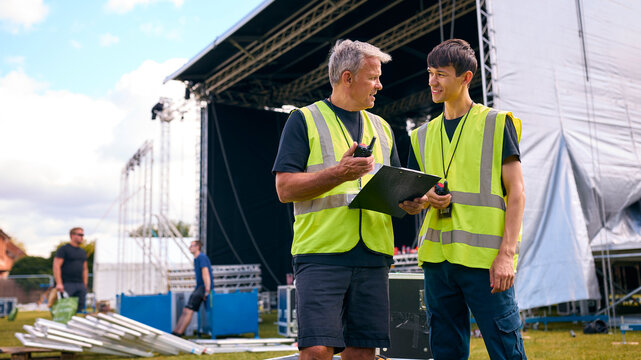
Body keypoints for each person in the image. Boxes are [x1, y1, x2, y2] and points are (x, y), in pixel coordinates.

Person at [273, 39, 401, 360]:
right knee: (316, 351)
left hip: (373, 256)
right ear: (347, 78)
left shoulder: (383, 128)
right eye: (373, 77)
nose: (379, 85)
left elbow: (394, 187)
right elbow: (284, 188)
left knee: (362, 354)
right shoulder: (303, 119)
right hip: (321, 255)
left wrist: (409, 200)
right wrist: (338, 173)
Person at [399, 39, 526, 359]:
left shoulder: (497, 123)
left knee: (505, 349)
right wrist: (421, 199)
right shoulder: (421, 136)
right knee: (446, 351)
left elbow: (518, 192)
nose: (432, 81)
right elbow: (419, 195)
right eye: (429, 73)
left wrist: (506, 255)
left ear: (466, 78)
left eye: (441, 74)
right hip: (437, 263)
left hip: (487, 263)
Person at [172, 240, 213, 336]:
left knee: (189, 310)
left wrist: (207, 290)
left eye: (192, 246)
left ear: (197, 247)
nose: (190, 248)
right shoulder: (196, 259)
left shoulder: (202, 257)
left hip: (203, 288)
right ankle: (176, 331)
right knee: (185, 310)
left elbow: (206, 274)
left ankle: (179, 333)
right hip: (199, 287)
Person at [53, 227, 89, 313]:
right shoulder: (64, 249)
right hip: (67, 284)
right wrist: (59, 283)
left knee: (79, 307)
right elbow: (56, 266)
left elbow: (85, 269)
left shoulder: (82, 252)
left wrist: (85, 284)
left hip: (80, 284)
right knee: (66, 308)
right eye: (80, 235)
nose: (82, 237)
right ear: (72, 235)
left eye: (83, 235)